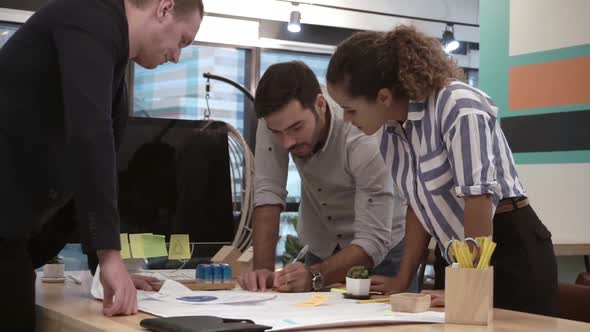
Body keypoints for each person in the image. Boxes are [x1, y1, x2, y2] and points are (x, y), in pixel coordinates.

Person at [326, 25, 558, 316]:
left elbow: (478, 199)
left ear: (383, 96)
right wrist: (402, 280)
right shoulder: (389, 136)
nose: (347, 121)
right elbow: (418, 208)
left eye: (350, 110)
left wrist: (469, 287)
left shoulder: (457, 105)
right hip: (460, 257)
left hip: (509, 249)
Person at [0, 0, 203, 329]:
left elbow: (97, 167)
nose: (177, 55)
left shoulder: (112, 64)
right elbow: (89, 136)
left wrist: (104, 268)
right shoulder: (90, 17)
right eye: (182, 41)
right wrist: (109, 256)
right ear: (164, 8)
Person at [238, 61, 411, 293]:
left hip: (383, 248)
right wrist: (262, 270)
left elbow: (372, 241)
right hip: (323, 245)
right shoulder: (276, 121)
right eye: (277, 133)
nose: (286, 142)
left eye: (297, 128)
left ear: (320, 105)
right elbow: (268, 190)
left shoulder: (363, 135)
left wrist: (313, 275)